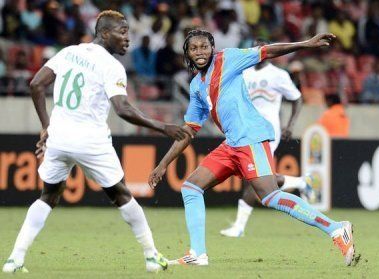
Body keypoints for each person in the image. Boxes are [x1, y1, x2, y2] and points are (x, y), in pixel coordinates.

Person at [2, 10, 191, 274]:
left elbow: (36, 84)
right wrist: (163, 127)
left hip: (59, 136)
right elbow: (123, 109)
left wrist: (46, 127)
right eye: (122, 32)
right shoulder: (111, 66)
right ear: (104, 34)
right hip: (90, 139)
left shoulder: (68, 52)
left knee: (48, 195)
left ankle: (14, 259)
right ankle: (151, 257)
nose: (128, 39)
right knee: (123, 195)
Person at [148, 30, 358, 267]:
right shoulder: (197, 85)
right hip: (231, 144)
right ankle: (198, 253)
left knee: (270, 196)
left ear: (212, 48)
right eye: (194, 48)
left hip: (251, 138)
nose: (200, 52)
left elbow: (267, 51)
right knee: (191, 188)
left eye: (204, 47)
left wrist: (306, 44)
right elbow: (188, 130)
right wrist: (162, 164)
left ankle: (336, 229)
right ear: (186, 53)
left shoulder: (228, 58)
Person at [220, 38, 316, 238]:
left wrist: (290, 125)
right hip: (245, 130)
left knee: (253, 177)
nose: (257, 51)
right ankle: (300, 183)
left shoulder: (278, 75)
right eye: (254, 48)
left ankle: (238, 227)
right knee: (257, 177)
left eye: (260, 48)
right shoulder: (243, 73)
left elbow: (297, 98)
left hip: (267, 131)